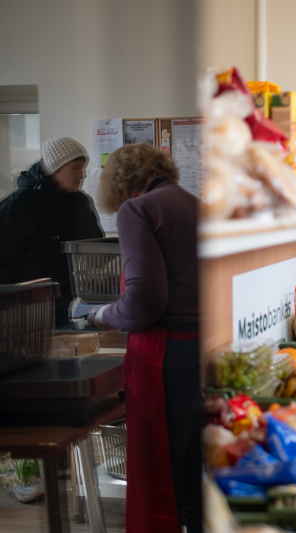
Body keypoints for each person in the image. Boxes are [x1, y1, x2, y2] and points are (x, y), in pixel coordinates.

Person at [91, 143, 201, 533]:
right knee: (194, 480)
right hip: (204, 356)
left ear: (120, 185)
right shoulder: (196, 204)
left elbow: (143, 301)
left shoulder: (137, 209)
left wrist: (100, 315)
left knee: (160, 477)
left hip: (166, 358)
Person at [0, 137, 103, 326]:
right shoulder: (18, 206)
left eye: (83, 168)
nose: (82, 175)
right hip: (18, 315)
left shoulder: (81, 204)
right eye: (75, 168)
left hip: (63, 309)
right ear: (53, 168)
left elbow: (96, 247)